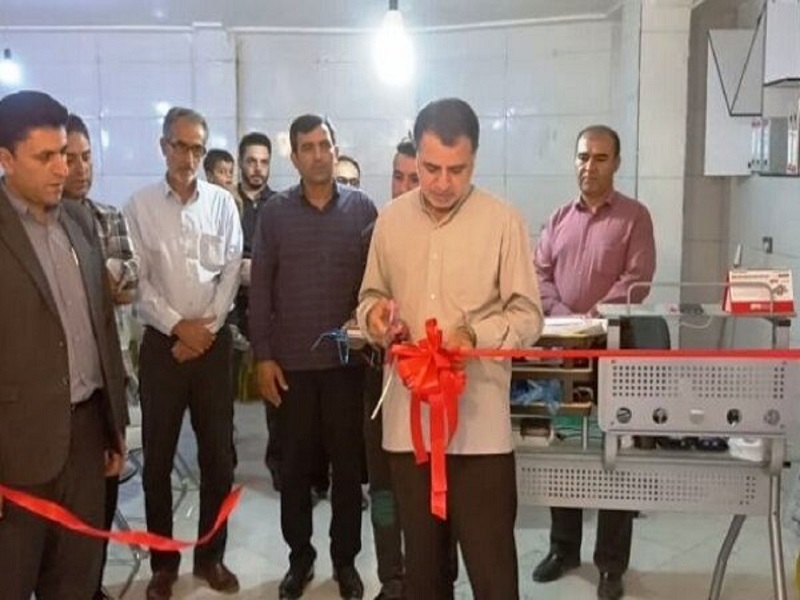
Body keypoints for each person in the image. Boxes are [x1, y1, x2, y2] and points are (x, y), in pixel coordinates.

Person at [357, 98, 543, 600]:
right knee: (423, 574)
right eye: (430, 168)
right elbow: (370, 295)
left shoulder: (503, 221)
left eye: (456, 170)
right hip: (409, 428)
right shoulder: (391, 222)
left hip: (478, 428)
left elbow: (528, 315)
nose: (442, 183)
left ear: (474, 160)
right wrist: (376, 318)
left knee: (493, 574)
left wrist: (474, 335)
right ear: (415, 158)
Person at [0, 90, 128, 600]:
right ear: (6, 159)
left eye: (66, 154)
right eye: (45, 157)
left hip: (86, 439)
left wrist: (113, 425)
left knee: (76, 580)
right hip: (16, 450)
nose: (63, 169)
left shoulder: (78, 222)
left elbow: (102, 329)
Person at [249, 114, 377, 600]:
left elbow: (376, 283)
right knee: (295, 472)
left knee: (348, 472)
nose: (319, 155)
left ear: (335, 148)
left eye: (325, 145)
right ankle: (299, 559)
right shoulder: (276, 214)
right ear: (295, 156)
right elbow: (261, 290)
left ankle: (345, 561)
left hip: (347, 367)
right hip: (292, 369)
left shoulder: (362, 209)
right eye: (308, 147)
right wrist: (263, 356)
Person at [533, 124, 656, 600]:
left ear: (616, 163)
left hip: (615, 352)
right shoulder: (558, 218)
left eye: (600, 158)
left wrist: (593, 317)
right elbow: (539, 273)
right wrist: (566, 317)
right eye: (583, 156)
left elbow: (638, 279)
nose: (590, 166)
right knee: (564, 448)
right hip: (563, 354)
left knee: (614, 456)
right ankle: (564, 548)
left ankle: (610, 564)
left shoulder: (634, 218)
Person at [124, 106, 243, 600]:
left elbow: (231, 271)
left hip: (212, 347)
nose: (189, 157)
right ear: (163, 146)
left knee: (219, 459)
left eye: (197, 148)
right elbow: (139, 281)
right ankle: (163, 564)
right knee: (157, 462)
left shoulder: (222, 204)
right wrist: (179, 327)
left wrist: (204, 331)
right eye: (180, 146)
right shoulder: (139, 207)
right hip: (163, 347)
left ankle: (211, 557)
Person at [62, 113, 140, 600]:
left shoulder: (106, 217)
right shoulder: (26, 230)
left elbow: (129, 281)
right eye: (67, 158)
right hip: (51, 396)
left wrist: (107, 282)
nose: (78, 168)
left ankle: (91, 585)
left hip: (107, 381)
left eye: (86, 157)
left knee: (103, 495)